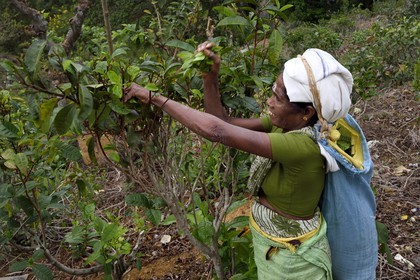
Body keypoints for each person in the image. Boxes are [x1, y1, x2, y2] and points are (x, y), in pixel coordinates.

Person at [123, 43, 355, 279]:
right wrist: (210, 78)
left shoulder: (304, 146)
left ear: (306, 113)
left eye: (277, 97)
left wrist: (155, 99)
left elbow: (216, 130)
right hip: (276, 248)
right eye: (272, 92)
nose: (269, 102)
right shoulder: (284, 125)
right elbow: (221, 120)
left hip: (293, 260)